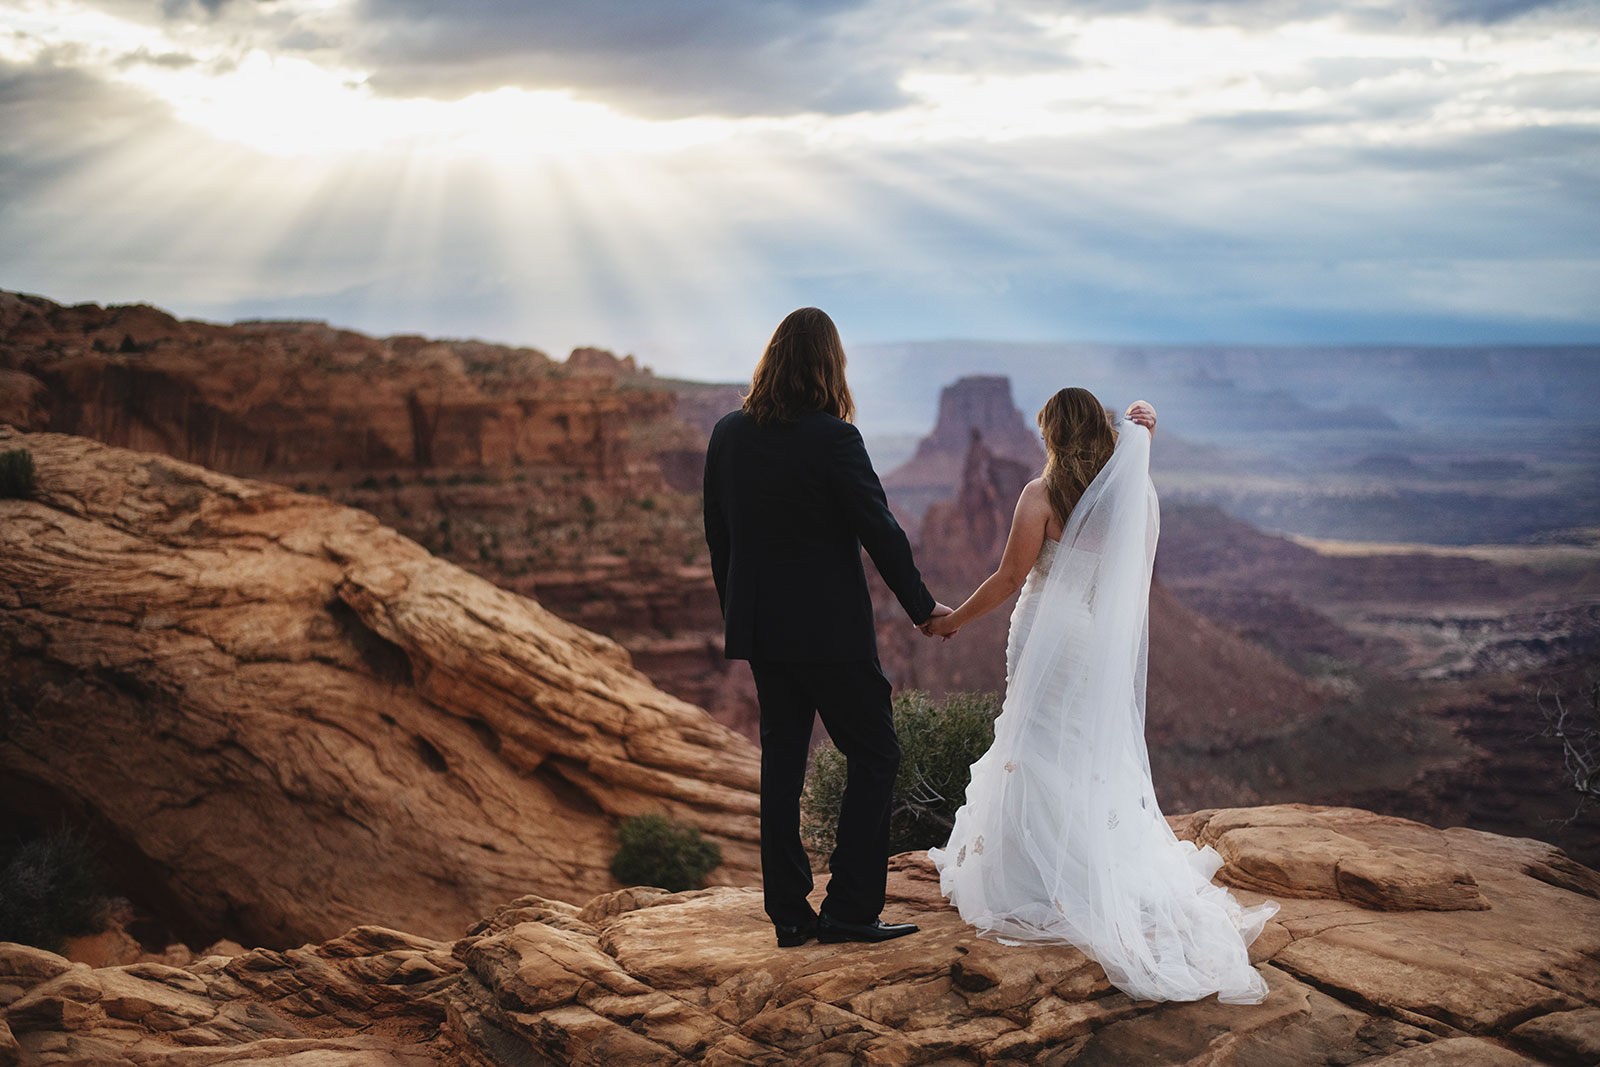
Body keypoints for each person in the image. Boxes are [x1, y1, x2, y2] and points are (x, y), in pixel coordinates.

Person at [923, 387, 1278, 1005]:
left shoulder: (1041, 496)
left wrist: (954, 620)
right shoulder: (1129, 495)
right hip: (1092, 641)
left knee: (1032, 741)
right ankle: (1087, 867)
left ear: (1053, 436)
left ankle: (1032, 878)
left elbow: (1011, 577)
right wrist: (1147, 440)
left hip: (1043, 633)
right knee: (1080, 745)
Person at [703, 307, 953, 948]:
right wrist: (924, 609)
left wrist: (741, 614)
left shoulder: (729, 434)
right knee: (875, 754)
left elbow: (719, 539)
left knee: (782, 765)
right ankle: (848, 908)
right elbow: (882, 532)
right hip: (830, 634)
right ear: (828, 366)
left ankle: (789, 914)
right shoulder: (835, 438)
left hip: (763, 632)